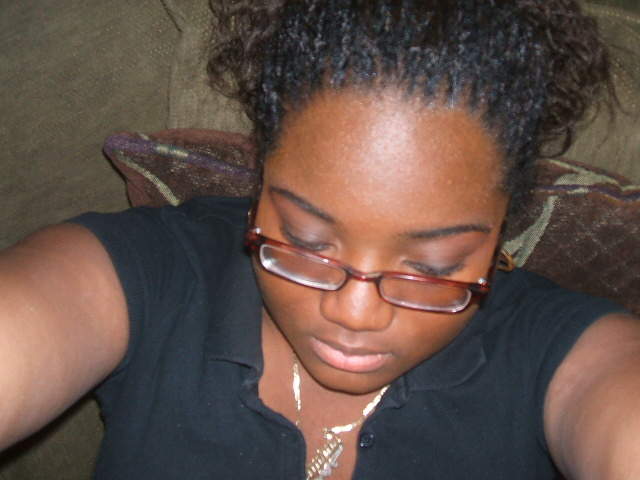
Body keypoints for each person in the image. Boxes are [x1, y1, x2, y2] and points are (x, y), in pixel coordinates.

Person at [1, 0, 639, 478]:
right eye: (306, 240)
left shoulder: (562, 352)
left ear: (502, 229)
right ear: (262, 181)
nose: (354, 312)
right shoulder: (150, 271)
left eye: (432, 265)